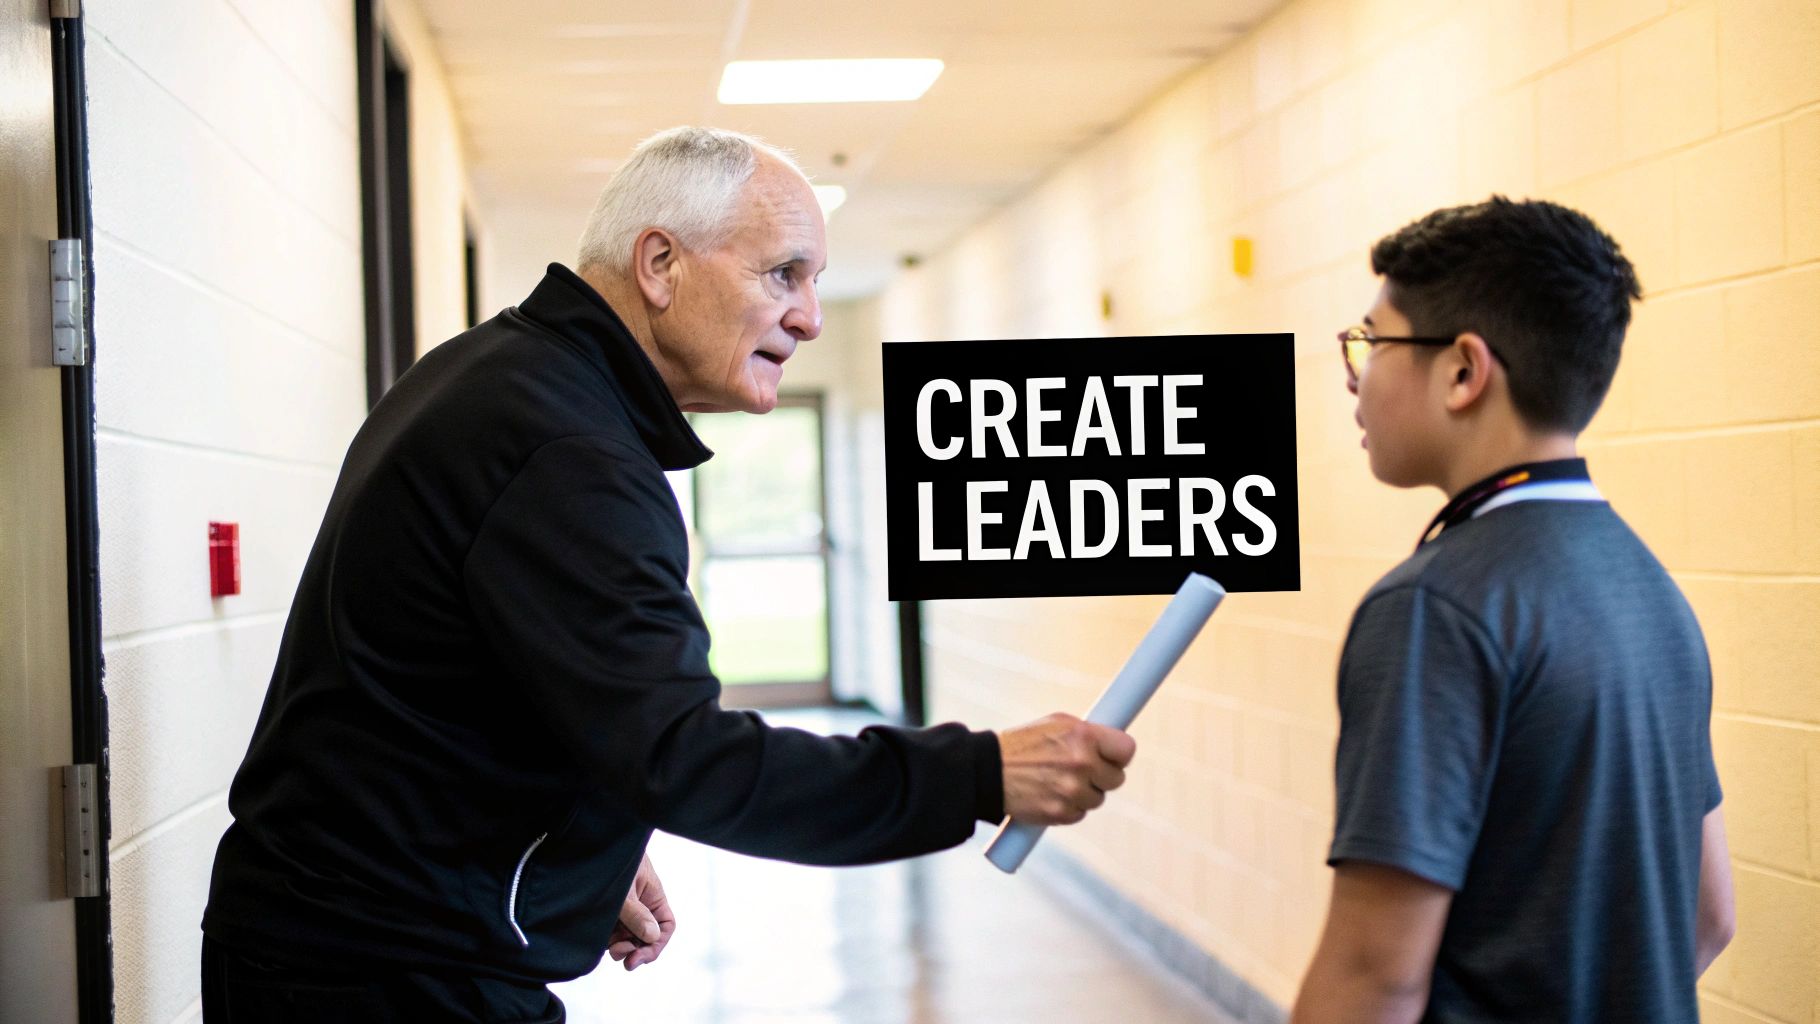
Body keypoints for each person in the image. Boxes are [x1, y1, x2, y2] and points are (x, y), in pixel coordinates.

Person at [200, 126, 1136, 1023]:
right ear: (660, 265)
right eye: (783, 275)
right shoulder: (565, 448)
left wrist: (581, 841)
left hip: (351, 946)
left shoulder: (505, 379)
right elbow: (686, 758)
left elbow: (477, 690)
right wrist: (978, 774)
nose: (809, 317)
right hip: (379, 975)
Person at [1290, 197, 1735, 1023]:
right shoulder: (1654, 593)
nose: (1355, 374)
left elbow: (1373, 977)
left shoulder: (1433, 609)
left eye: (1373, 343)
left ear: (1463, 370)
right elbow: (1709, 917)